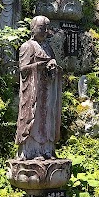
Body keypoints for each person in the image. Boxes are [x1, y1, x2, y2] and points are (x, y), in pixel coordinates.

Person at [15, 16, 62, 159]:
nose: (45, 32)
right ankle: (31, 151)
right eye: (42, 28)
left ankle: (47, 149)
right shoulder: (27, 46)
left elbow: (53, 63)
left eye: (47, 29)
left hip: (47, 90)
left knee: (47, 118)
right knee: (34, 118)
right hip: (33, 91)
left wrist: (53, 65)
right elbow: (23, 69)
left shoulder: (48, 47)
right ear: (33, 28)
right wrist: (37, 67)